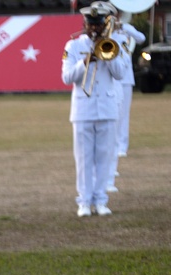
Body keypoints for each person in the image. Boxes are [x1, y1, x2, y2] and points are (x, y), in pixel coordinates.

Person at [61, 3, 126, 217]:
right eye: (91, 24)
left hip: (107, 109)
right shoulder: (72, 46)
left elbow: (119, 74)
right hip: (83, 109)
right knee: (84, 159)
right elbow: (67, 77)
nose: (94, 29)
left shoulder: (114, 43)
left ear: (104, 24)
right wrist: (87, 60)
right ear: (85, 24)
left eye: (98, 24)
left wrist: (107, 53)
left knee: (104, 158)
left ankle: (101, 201)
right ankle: (84, 201)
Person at [105, 3, 145, 193]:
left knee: (123, 113)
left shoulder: (124, 29)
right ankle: (111, 158)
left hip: (126, 78)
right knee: (112, 115)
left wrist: (126, 28)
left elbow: (141, 38)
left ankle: (123, 145)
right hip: (110, 79)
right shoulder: (105, 32)